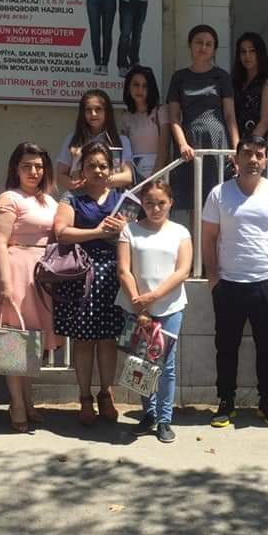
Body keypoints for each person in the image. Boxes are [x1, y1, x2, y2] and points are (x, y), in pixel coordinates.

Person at [202, 135, 268, 429]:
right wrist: (213, 278)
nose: (253, 159)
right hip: (229, 282)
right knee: (226, 346)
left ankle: (266, 401)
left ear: (266, 160)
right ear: (236, 158)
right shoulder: (219, 194)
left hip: (267, 281)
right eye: (247, 153)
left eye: (259, 154)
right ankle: (225, 401)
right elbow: (208, 237)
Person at [0, 142, 62, 432]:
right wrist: (5, 283)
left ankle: (28, 401)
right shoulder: (8, 198)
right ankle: (16, 403)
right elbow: (0, 243)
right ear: (16, 168)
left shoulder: (49, 201)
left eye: (39, 166)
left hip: (41, 278)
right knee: (13, 343)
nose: (34, 171)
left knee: (33, 342)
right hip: (14, 272)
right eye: (27, 166)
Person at [52, 142, 128, 426]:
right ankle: (84, 397)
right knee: (83, 341)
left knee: (108, 340)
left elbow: (137, 234)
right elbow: (61, 232)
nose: (98, 170)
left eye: (103, 165)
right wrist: (97, 232)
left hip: (113, 275)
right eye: (91, 165)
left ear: (111, 169)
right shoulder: (72, 197)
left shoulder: (123, 198)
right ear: (82, 169)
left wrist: (125, 229)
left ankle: (106, 394)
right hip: (81, 275)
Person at [117, 180, 192, 443]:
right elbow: (124, 269)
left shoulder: (181, 232)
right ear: (142, 204)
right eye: (149, 203)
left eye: (161, 203)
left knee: (166, 365)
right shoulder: (129, 230)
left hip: (169, 307)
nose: (156, 208)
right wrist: (138, 302)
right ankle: (148, 414)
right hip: (135, 305)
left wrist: (154, 296)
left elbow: (183, 271)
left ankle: (165, 419)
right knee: (141, 362)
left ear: (171, 203)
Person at [167, 24, 240, 214]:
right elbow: (173, 117)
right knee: (194, 199)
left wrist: (236, 148)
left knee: (218, 198)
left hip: (218, 141)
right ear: (190, 45)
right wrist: (182, 144)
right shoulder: (179, 77)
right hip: (190, 141)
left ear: (214, 49)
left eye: (209, 44)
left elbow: (230, 115)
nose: (203, 47)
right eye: (199, 42)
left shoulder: (221, 76)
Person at [55, 89, 135, 194]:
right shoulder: (73, 139)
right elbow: (60, 175)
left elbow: (128, 176)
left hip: (112, 198)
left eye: (98, 109)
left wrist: (96, 181)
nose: (93, 114)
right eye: (88, 110)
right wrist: (74, 184)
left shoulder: (122, 141)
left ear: (107, 112)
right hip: (81, 197)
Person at [118, 65, 169, 183]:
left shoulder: (161, 111)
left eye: (145, 86)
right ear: (128, 87)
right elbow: (125, 153)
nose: (140, 90)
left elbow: (164, 149)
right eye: (136, 85)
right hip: (134, 179)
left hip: (157, 178)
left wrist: (153, 179)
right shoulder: (125, 117)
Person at [232, 32, 268, 139]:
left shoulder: (267, 83)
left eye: (252, 51)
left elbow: (265, 122)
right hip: (234, 140)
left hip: (256, 142)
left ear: (260, 53)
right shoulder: (234, 81)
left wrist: (249, 145)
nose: (247, 56)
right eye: (243, 51)